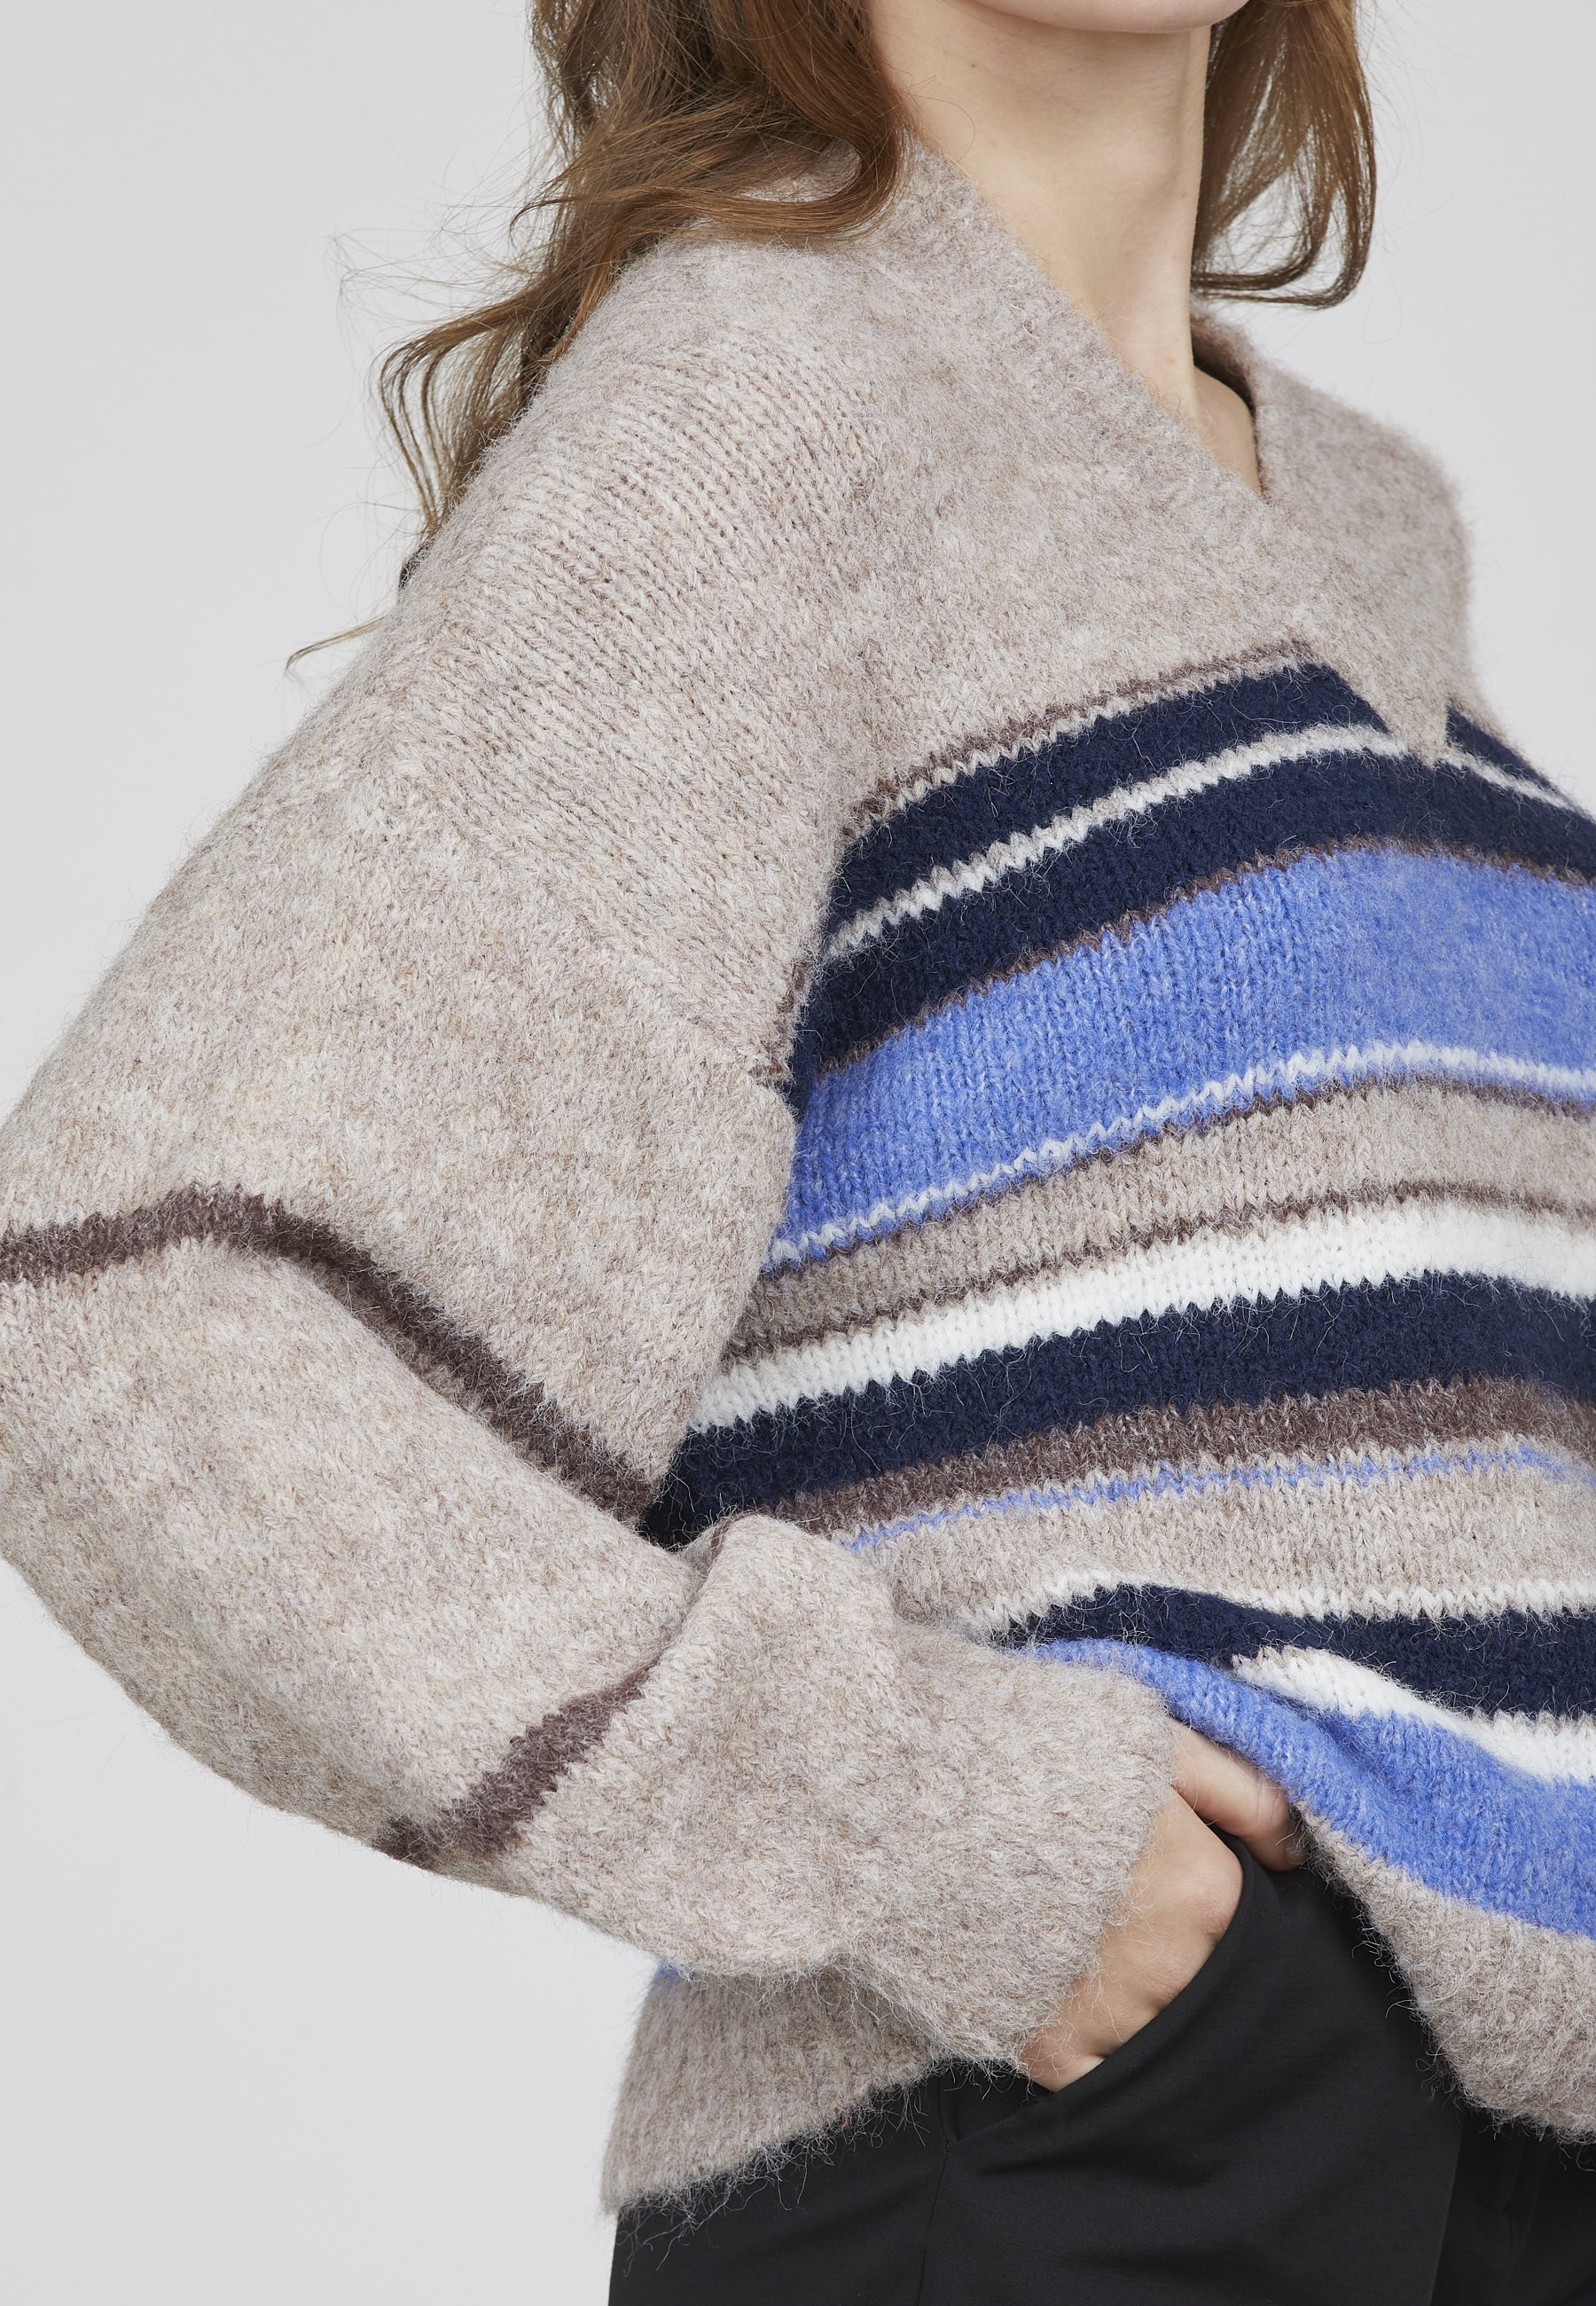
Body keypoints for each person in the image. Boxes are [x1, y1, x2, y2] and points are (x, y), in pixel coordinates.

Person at [2, 0, 1593, 2298]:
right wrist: (962, 1832)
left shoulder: (1356, 522)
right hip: (1102, 2136)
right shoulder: (767, 397)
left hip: (1498, 2134)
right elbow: (123, 1330)